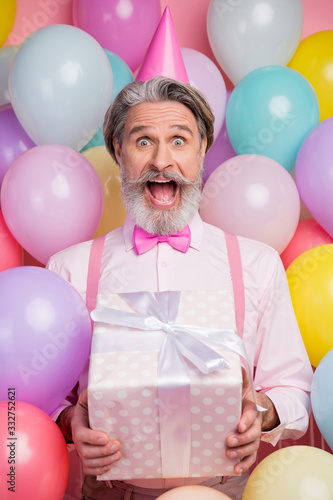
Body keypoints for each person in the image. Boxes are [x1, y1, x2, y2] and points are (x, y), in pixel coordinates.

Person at [47, 76, 313, 500]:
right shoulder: (69, 270)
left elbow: (294, 388)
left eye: (178, 140)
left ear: (202, 149)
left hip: (226, 493)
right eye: (143, 141)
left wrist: (260, 413)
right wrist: (68, 425)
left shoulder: (256, 265)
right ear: (118, 151)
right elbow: (26, 400)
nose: (162, 161)